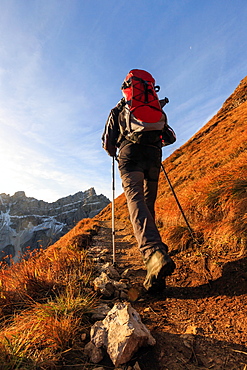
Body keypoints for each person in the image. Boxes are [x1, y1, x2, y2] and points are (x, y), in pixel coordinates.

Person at [102, 70, 176, 293]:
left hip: (130, 157)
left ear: (126, 88)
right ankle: (156, 271)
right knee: (147, 206)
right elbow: (170, 136)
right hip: (153, 156)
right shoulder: (155, 107)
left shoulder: (118, 109)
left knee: (136, 204)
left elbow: (107, 142)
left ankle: (153, 253)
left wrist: (114, 150)